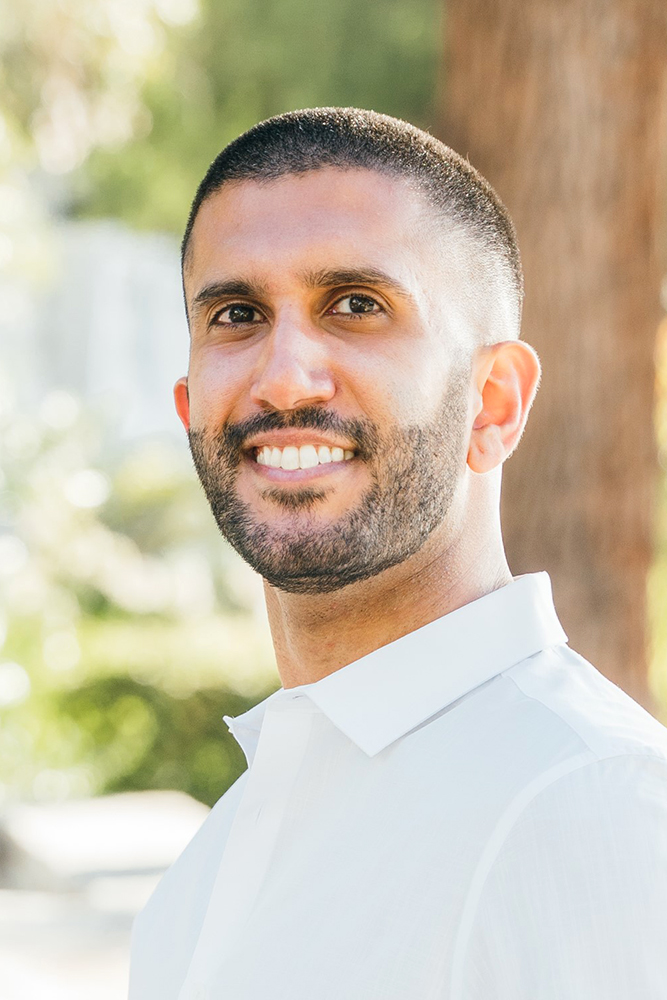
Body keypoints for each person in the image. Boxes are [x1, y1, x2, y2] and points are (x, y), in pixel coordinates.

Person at [129, 108, 667, 1000]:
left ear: (492, 404)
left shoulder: (590, 803)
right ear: (189, 402)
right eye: (236, 313)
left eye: (355, 305)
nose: (283, 376)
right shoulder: (212, 866)